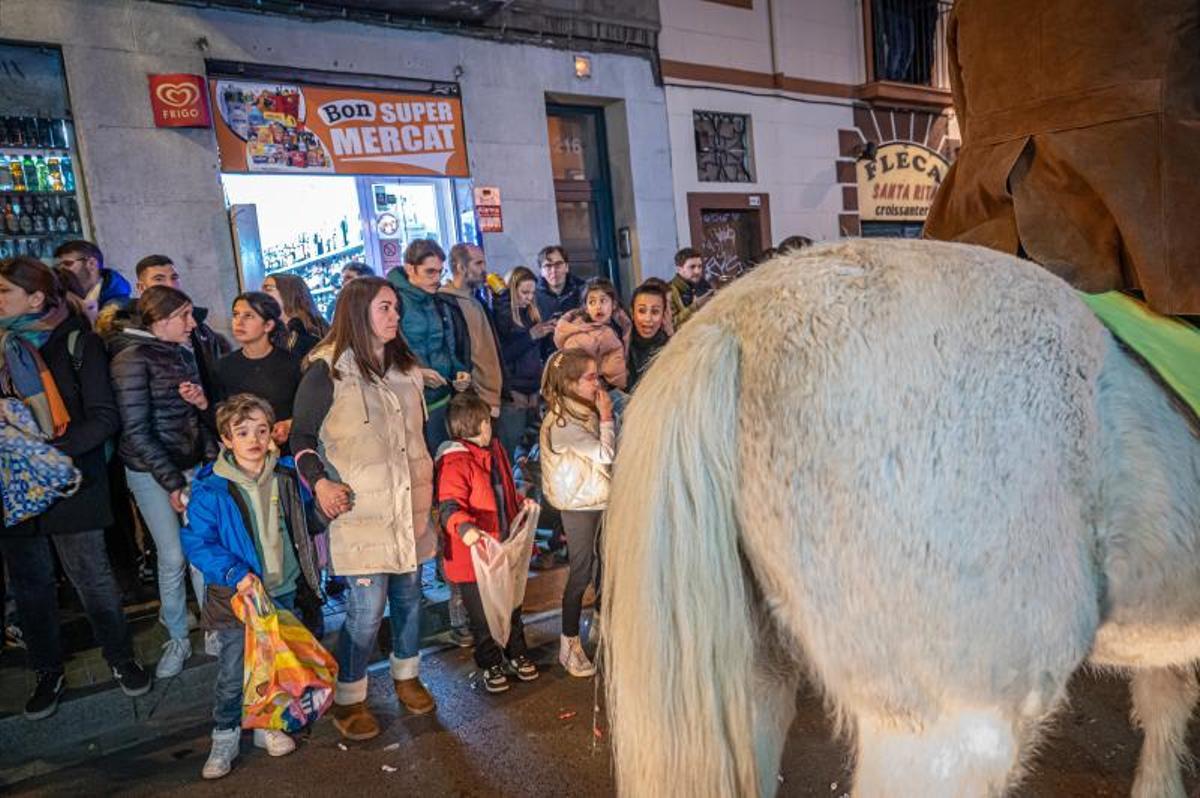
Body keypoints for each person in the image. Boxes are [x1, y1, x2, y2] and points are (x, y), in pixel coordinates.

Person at [0, 257, 151, 719]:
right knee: (30, 586)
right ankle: (47, 671)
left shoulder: (76, 342)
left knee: (92, 577)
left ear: (36, 297)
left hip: (71, 481)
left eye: (3, 292)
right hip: (14, 485)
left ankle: (121, 657)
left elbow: (105, 417)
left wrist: (49, 453)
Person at [290, 276, 437, 741]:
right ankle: (350, 697)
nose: (396, 316)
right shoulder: (327, 370)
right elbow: (301, 436)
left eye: (396, 308)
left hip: (409, 507)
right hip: (361, 513)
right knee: (365, 610)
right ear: (358, 313)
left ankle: (407, 676)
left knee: (410, 600)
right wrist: (319, 483)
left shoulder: (404, 367)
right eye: (385, 308)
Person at [181, 394, 324, 779]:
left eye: (262, 430)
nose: (254, 439)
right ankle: (225, 736)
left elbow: (303, 523)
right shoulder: (212, 488)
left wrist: (325, 511)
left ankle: (266, 725)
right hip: (235, 599)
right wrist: (234, 573)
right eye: (242, 432)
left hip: (281, 590)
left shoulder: (286, 476)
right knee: (233, 673)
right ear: (226, 439)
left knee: (273, 667)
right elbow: (197, 542)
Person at [109, 285, 217, 679]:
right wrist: (174, 482)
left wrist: (207, 460)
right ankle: (177, 635)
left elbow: (193, 415)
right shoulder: (130, 360)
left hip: (189, 466)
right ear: (160, 320)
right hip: (150, 470)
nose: (192, 324)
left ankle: (213, 626)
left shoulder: (181, 353)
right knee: (172, 555)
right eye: (185, 316)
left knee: (203, 551)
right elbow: (136, 431)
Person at [435, 392, 539, 693]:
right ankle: (490, 661)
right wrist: (464, 528)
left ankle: (515, 653)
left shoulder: (494, 452)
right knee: (482, 615)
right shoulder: (455, 461)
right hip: (472, 558)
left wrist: (520, 504)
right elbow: (449, 506)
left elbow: (503, 492)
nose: (491, 426)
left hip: (499, 548)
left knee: (511, 604)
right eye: (486, 421)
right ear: (478, 425)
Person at [539, 349, 613, 677]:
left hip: (600, 498)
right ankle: (569, 644)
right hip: (579, 505)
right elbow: (606, 453)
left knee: (606, 565)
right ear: (569, 383)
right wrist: (608, 416)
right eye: (590, 377)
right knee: (581, 572)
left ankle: (601, 624)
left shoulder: (582, 407)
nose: (597, 383)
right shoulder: (563, 422)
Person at [388, 238, 472, 452]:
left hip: (442, 399)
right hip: (409, 404)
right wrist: (416, 373)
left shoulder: (438, 300)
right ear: (410, 268)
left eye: (440, 272)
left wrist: (459, 372)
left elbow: (448, 346)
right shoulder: (392, 302)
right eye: (430, 272)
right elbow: (384, 353)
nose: (437, 279)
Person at [135, 255, 231, 402]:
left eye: (174, 278)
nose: (170, 285)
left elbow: (216, 379)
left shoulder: (201, 330)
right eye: (159, 279)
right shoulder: (131, 336)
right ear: (141, 288)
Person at [214, 292, 301, 454]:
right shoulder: (224, 366)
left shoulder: (292, 364)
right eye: (235, 315)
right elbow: (220, 413)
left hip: (287, 453)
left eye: (248, 316)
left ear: (268, 325)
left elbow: (308, 410)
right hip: (246, 457)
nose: (239, 322)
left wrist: (290, 424)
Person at [493, 266, 554, 457]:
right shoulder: (501, 316)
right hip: (514, 392)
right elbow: (502, 355)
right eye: (524, 292)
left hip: (534, 391)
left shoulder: (531, 313)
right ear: (512, 290)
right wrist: (531, 336)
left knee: (534, 449)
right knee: (511, 448)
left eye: (532, 293)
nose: (528, 298)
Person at [440, 243, 503, 418]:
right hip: (474, 398)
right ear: (461, 267)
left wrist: (500, 300)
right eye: (478, 263)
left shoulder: (476, 299)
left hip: (492, 395)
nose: (484, 270)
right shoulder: (447, 302)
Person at [553, 277, 630, 391]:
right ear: (586, 309)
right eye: (592, 302)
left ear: (613, 304)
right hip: (596, 389)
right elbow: (563, 361)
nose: (598, 306)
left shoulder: (620, 324)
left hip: (616, 385)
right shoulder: (582, 334)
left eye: (603, 301)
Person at [533, 245, 585, 356]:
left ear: (567, 267)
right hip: (546, 358)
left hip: (578, 354)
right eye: (548, 266)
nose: (553, 270)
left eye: (558, 264)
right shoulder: (532, 296)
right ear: (541, 271)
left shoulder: (583, 290)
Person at [262, 273, 328, 361]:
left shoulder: (312, 335)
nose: (261, 295)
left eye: (268, 289)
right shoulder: (273, 335)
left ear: (288, 292)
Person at [53, 240, 131, 313]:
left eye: (68, 264)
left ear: (92, 263)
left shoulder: (118, 305)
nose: (61, 270)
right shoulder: (64, 298)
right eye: (58, 266)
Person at [626, 280, 671, 392]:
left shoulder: (670, 347)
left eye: (655, 312)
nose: (648, 319)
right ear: (632, 313)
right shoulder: (619, 344)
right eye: (642, 311)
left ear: (664, 315)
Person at [667, 247, 713, 328]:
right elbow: (670, 324)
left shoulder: (704, 285)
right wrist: (695, 306)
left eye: (700, 266)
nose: (697, 271)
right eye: (692, 267)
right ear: (679, 269)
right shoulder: (668, 291)